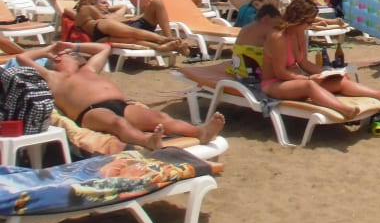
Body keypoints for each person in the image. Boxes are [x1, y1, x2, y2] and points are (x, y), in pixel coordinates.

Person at [16, 41, 225, 149]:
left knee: (160, 117)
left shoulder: (88, 69)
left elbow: (103, 49)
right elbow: (22, 57)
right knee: (118, 124)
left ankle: (200, 132)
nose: (76, 56)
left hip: (121, 105)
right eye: (70, 55)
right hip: (91, 112)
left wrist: (74, 46)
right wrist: (49, 49)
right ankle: (146, 140)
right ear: (57, 60)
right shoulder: (53, 77)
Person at [260, 0, 380, 118]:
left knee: (339, 80)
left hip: (294, 80)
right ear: (298, 19)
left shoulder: (300, 33)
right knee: (309, 86)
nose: (310, 25)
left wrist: (326, 72)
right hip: (274, 83)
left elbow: (303, 63)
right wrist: (308, 79)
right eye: (308, 22)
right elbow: (280, 73)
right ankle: (344, 109)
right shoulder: (278, 37)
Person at [72, 0, 190, 55]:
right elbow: (104, 20)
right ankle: (167, 39)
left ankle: (166, 41)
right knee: (134, 34)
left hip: (112, 27)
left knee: (157, 2)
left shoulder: (83, 9)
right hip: (107, 27)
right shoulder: (88, 8)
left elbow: (82, 22)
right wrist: (130, 19)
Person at [229, 2, 283, 80]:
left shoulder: (246, 27)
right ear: (266, 18)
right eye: (277, 24)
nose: (278, 27)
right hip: (253, 73)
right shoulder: (267, 29)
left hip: (238, 69)